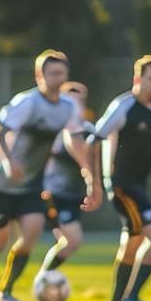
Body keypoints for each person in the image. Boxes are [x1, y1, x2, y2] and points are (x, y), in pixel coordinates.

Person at [0, 51, 98, 301]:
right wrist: (9, 162)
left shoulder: (67, 107)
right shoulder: (28, 102)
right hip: (3, 184)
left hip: (32, 186)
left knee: (31, 233)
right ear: (39, 76)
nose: (57, 78)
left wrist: (88, 172)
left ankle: (5, 291)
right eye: (52, 73)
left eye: (61, 73)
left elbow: (74, 140)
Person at [91, 55, 151, 301]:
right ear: (137, 79)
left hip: (139, 185)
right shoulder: (123, 106)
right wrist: (95, 182)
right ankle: (131, 298)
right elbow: (96, 137)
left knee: (132, 242)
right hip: (120, 185)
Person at [39, 81, 97, 274]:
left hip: (75, 194)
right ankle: (44, 277)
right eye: (72, 101)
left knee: (67, 242)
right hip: (54, 192)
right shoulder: (55, 129)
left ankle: (46, 278)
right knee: (73, 240)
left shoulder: (90, 130)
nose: (76, 106)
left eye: (81, 101)